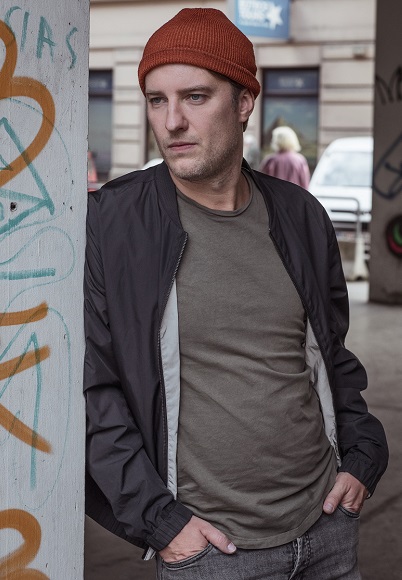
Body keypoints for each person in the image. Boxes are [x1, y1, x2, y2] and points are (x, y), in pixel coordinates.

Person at [84, 8, 388, 580]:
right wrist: (159, 521)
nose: (172, 121)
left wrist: (363, 453)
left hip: (326, 526)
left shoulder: (300, 216)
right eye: (156, 100)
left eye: (195, 97)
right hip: (211, 550)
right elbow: (93, 390)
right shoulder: (113, 223)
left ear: (244, 101)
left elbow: (333, 356)